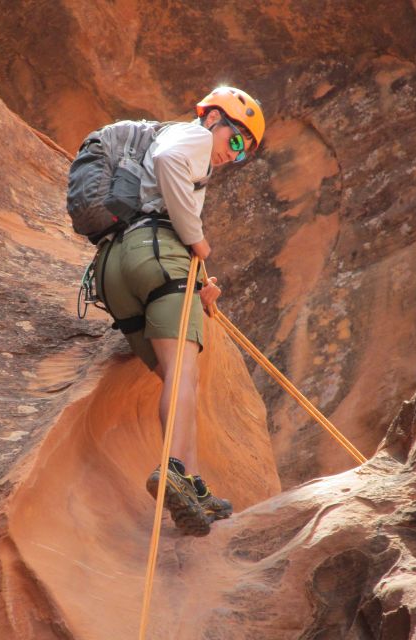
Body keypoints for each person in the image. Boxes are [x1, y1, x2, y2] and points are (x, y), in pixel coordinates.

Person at [95, 86, 265, 536]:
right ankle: (177, 470)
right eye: (235, 140)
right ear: (212, 118)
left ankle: (190, 482)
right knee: (183, 373)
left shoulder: (184, 146)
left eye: (244, 153)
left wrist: (201, 279)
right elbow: (170, 168)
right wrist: (199, 241)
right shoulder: (189, 140)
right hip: (156, 253)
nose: (235, 154)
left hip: (115, 267)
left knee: (173, 372)